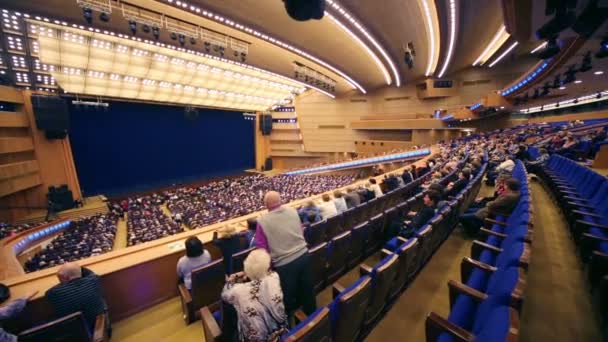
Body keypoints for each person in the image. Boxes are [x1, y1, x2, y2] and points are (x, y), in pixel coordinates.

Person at [255, 191, 316, 318]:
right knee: (308, 291)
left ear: (266, 204)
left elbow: (262, 249)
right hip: (304, 256)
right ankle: (313, 319)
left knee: (287, 299)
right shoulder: (293, 211)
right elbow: (300, 231)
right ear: (280, 200)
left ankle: (290, 330)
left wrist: (269, 269)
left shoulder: (262, 221)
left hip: (285, 265)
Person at [221, 249, 288, 342]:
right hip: (282, 333)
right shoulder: (274, 278)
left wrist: (234, 277)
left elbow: (224, 294)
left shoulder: (238, 291)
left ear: (246, 270)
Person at [46, 263, 110, 335]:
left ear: (66, 277)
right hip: (100, 327)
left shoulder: (52, 293)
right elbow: (89, 272)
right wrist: (76, 269)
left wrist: (64, 281)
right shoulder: (93, 279)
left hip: (75, 334)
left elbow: (53, 290)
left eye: (60, 278)